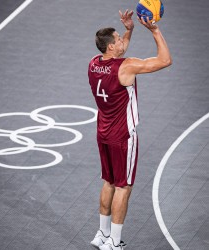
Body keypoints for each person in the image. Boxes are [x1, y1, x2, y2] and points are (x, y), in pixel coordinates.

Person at [88, 9, 172, 250]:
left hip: (102, 132)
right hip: (123, 135)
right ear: (111, 47)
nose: (122, 41)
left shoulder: (94, 64)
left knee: (109, 182)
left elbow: (118, 54)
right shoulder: (126, 67)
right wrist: (154, 30)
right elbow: (165, 60)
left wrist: (129, 29)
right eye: (118, 39)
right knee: (124, 187)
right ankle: (114, 243)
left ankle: (102, 235)